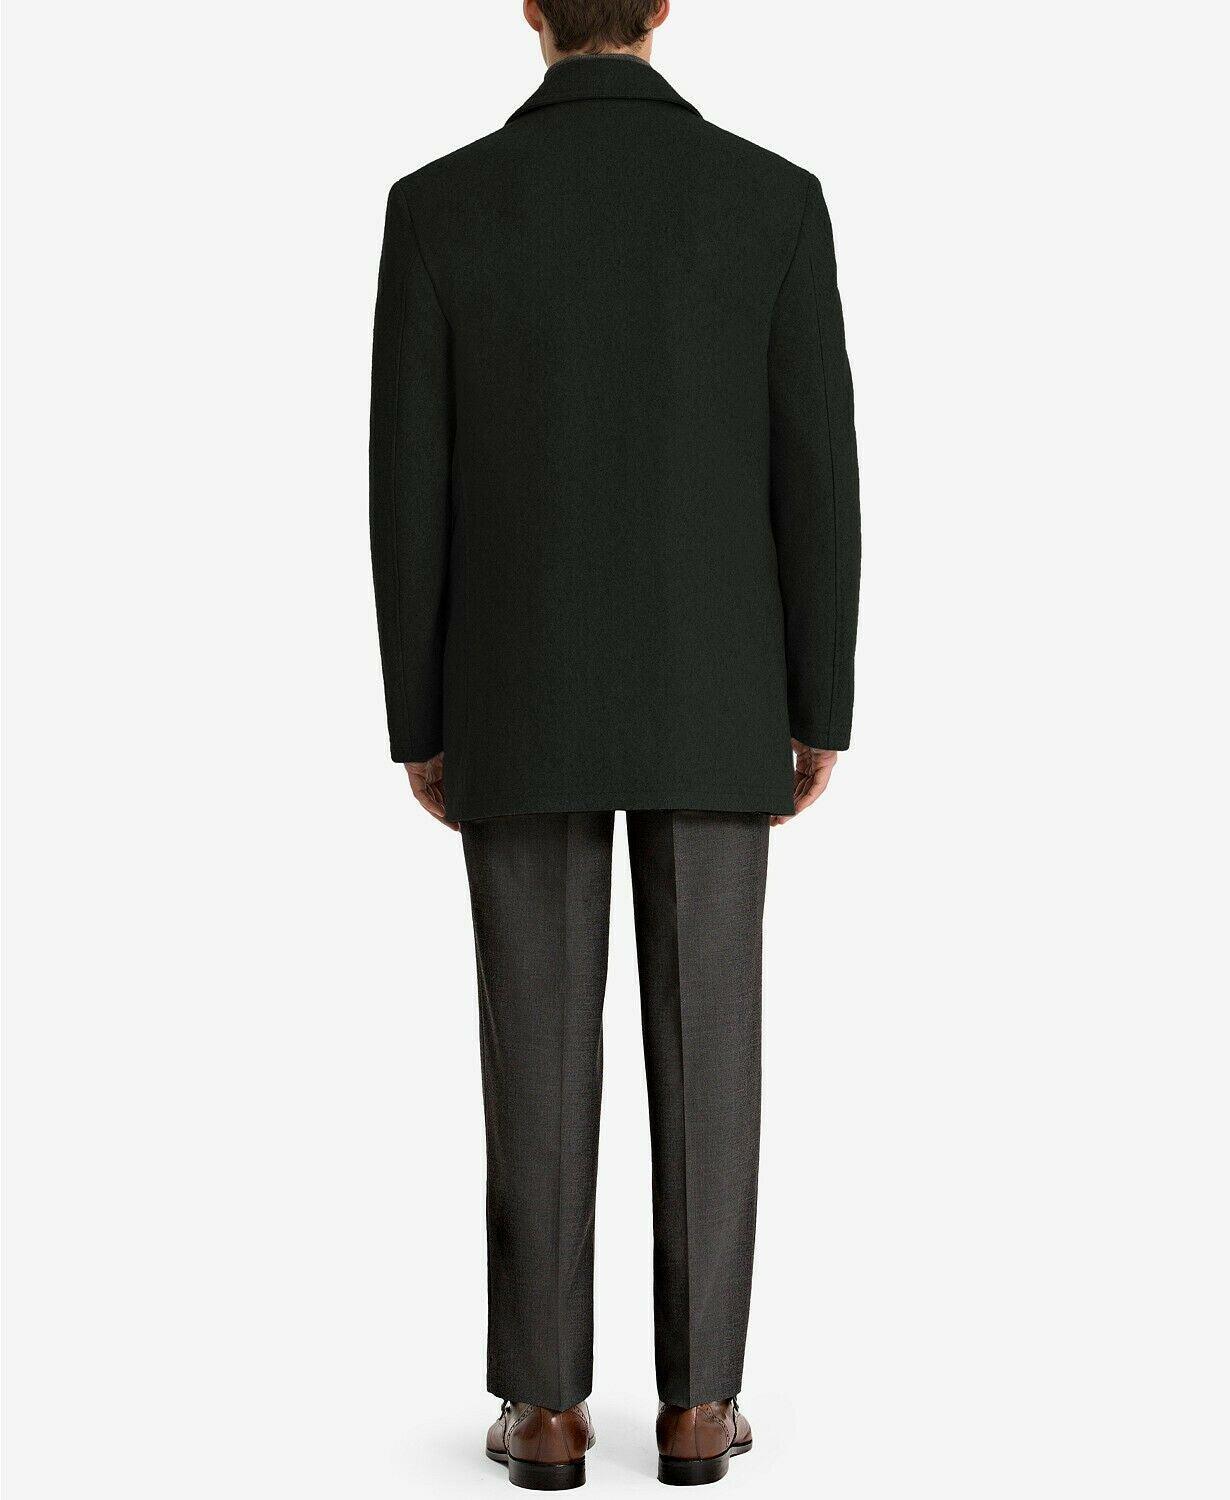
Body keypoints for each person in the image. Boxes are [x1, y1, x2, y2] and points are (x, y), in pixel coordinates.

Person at [369, 0, 859, 1487]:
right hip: (719, 688)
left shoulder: (439, 208)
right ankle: (700, 1405)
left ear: (531, 8)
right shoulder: (771, 202)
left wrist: (420, 718)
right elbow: (817, 471)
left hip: (514, 690)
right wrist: (817, 703)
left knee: (532, 1043)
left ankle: (545, 1407)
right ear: (661, 8)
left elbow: (406, 486)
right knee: (713, 1042)